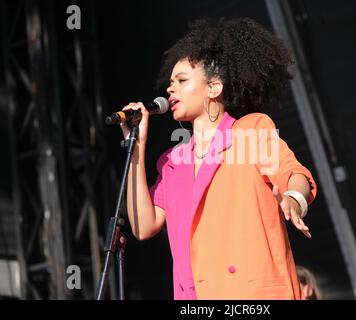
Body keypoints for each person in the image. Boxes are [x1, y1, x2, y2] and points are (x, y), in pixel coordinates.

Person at [121, 17, 317, 300]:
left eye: (182, 80)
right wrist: (135, 147)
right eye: (171, 82)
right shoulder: (173, 163)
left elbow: (294, 174)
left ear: (214, 88)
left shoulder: (250, 132)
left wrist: (294, 199)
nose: (170, 89)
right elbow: (142, 225)